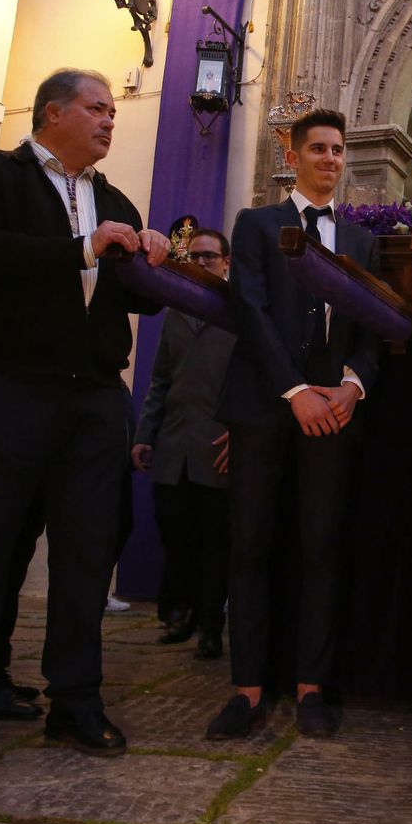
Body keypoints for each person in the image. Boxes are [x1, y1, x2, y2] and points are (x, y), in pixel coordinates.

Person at [0, 68, 169, 765]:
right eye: (98, 109)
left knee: (88, 552)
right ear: (53, 111)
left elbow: (139, 301)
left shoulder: (112, 196)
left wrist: (151, 257)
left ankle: (75, 700)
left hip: (92, 396)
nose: (110, 122)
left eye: (114, 112)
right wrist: (81, 250)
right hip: (6, 386)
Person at [207, 108, 380, 740]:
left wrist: (352, 387)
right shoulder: (256, 225)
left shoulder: (360, 241)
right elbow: (249, 311)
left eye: (337, 150)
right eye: (319, 149)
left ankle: (312, 688)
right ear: (295, 156)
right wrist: (295, 391)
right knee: (250, 547)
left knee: (321, 548)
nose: (330, 159)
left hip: (333, 414)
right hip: (262, 407)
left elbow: (372, 328)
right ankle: (247, 690)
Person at [132, 227, 237, 660]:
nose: (199, 264)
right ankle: (182, 614)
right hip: (174, 446)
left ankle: (212, 625)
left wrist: (242, 430)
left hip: (217, 445)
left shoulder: (240, 311)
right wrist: (144, 435)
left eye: (209, 257)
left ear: (227, 263)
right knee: (176, 535)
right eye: (193, 257)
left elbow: (256, 378)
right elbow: (161, 379)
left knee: (214, 542)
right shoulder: (175, 310)